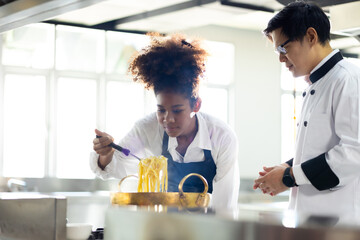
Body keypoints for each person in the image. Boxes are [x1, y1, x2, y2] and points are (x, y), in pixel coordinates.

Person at [91, 33, 239, 210]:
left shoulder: (221, 136)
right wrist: (106, 154)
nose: (168, 119)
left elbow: (225, 204)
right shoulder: (147, 128)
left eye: (177, 110)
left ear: (196, 105)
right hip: (162, 225)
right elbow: (115, 167)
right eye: (161, 110)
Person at [253, 1, 360, 217]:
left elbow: (352, 154)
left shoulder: (347, 80)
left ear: (311, 36)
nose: (281, 58)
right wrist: (286, 167)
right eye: (277, 52)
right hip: (311, 220)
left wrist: (289, 176)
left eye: (283, 48)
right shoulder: (318, 84)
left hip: (341, 222)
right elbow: (321, 150)